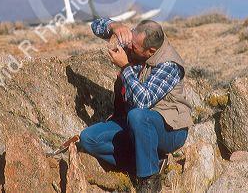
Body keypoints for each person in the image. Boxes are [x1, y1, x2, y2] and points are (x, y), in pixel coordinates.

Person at [79, 18, 193, 193]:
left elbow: (143, 101)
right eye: (130, 41)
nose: (129, 48)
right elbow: (95, 26)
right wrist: (114, 27)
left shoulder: (169, 64)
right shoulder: (136, 41)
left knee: (137, 115)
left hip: (170, 130)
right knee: (88, 139)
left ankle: (148, 180)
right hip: (135, 124)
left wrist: (125, 67)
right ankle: (149, 162)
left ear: (150, 51)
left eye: (134, 47)